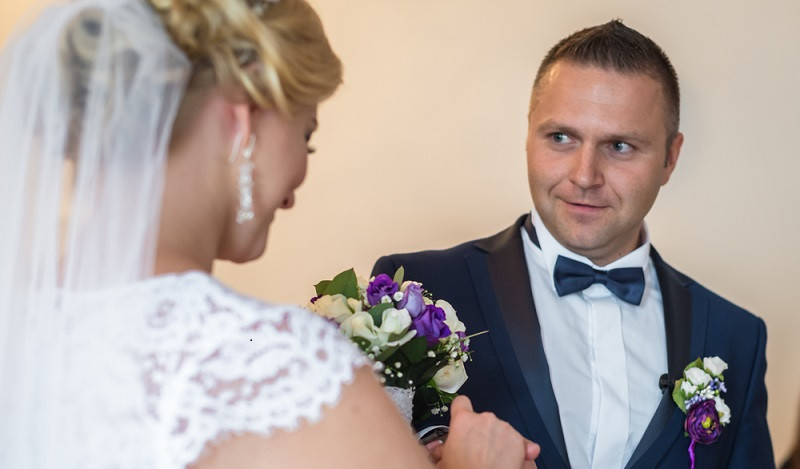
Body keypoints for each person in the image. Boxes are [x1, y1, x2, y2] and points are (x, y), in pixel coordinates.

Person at [0, 0, 540, 467]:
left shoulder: (21, 331)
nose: (294, 188)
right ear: (243, 120)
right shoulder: (276, 370)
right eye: (306, 137)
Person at [373, 20, 773, 468]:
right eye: (560, 137)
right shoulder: (415, 295)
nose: (584, 176)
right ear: (528, 134)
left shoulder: (736, 336)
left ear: (670, 157)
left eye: (620, 145)